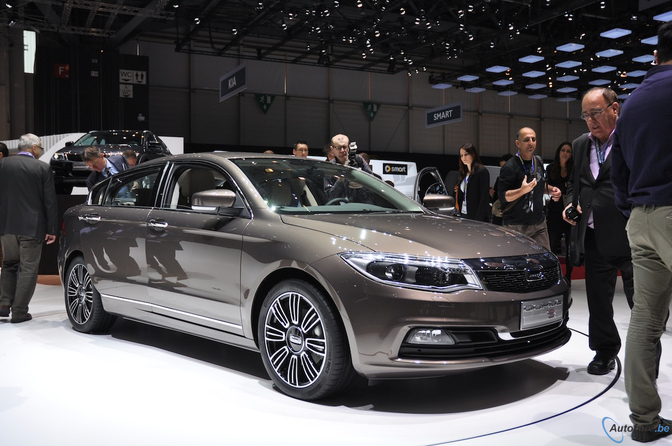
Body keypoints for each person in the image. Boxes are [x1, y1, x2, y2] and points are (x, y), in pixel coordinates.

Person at [611, 20, 672, 443]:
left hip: (641, 218)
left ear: (654, 55)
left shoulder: (631, 103)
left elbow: (619, 171)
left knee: (645, 320)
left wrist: (633, 209)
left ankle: (644, 422)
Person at [563, 87, 634, 377]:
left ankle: (645, 364)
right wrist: (570, 204)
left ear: (614, 109)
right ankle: (604, 352)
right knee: (598, 302)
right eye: (585, 115)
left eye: (596, 113)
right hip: (593, 237)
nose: (590, 120)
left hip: (630, 237)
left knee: (642, 307)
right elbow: (575, 185)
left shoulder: (630, 138)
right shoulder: (581, 144)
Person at [0, 133, 58, 323]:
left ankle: (3, 304)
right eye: (40, 148)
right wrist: (52, 228)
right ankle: (19, 311)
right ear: (34, 148)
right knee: (28, 269)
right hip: (32, 227)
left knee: (8, 264)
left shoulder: (3, 165)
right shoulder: (42, 167)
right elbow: (49, 202)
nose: (40, 151)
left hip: (6, 225)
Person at [497, 127, 561, 249]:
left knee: (544, 259)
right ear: (518, 143)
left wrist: (551, 190)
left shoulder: (538, 161)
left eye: (533, 139)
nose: (531, 142)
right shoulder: (510, 167)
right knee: (517, 262)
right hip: (515, 225)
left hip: (539, 224)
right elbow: (502, 196)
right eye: (526, 140)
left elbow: (539, 185)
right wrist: (521, 191)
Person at [546, 142, 574, 283]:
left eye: (568, 151)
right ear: (558, 152)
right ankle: (554, 274)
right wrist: (563, 187)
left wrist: (558, 188)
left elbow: (574, 187)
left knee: (570, 246)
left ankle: (568, 275)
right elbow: (546, 186)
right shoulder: (551, 168)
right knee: (552, 244)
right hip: (554, 210)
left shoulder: (574, 169)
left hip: (569, 210)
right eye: (563, 150)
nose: (565, 153)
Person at [455, 143, 490, 222]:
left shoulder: (482, 171)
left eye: (466, 154)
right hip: (464, 214)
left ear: (473, 154)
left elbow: (484, 197)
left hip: (477, 217)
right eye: (461, 155)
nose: (463, 158)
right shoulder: (463, 173)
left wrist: (479, 218)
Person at [490, 153, 513, 225]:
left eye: (504, 167)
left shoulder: (519, 180)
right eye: (501, 167)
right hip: (499, 215)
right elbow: (496, 197)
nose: (503, 169)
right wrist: (492, 194)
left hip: (512, 215)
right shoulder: (499, 179)